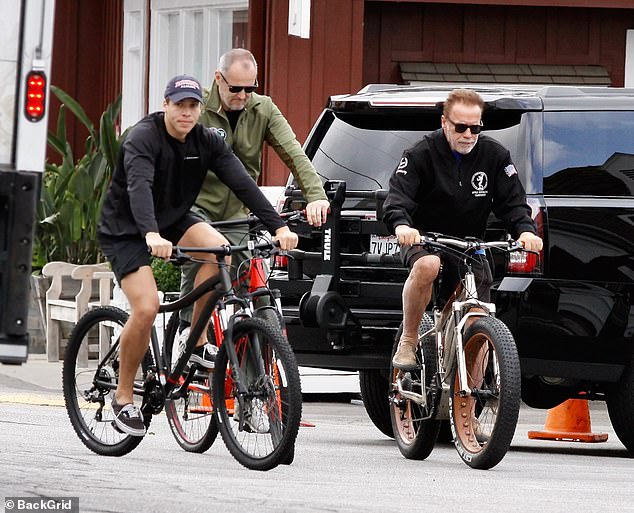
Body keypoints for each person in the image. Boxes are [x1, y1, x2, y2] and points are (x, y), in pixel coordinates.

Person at [97, 74, 298, 436]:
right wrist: (150, 233)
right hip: (127, 228)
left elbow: (242, 184)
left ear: (200, 109)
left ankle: (197, 338)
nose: (186, 113)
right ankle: (123, 399)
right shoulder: (143, 138)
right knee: (146, 308)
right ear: (165, 105)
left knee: (219, 250)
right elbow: (139, 187)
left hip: (172, 220)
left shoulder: (206, 140)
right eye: (179, 105)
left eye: (193, 106)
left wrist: (278, 227)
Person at [383, 88, 543, 370]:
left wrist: (526, 231)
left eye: (475, 127)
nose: (468, 134)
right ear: (445, 123)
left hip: (467, 243)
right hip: (425, 238)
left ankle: (468, 402)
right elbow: (398, 199)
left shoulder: (495, 155)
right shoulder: (420, 154)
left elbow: (513, 204)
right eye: (461, 127)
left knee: (479, 317)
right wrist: (402, 225)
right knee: (428, 265)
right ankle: (409, 340)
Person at [179, 48, 329, 328]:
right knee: (201, 273)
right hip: (196, 208)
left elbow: (294, 154)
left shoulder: (263, 109)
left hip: (238, 211)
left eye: (250, 88)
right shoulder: (197, 107)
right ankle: (189, 340)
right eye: (236, 88)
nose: (243, 96)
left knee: (246, 283)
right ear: (218, 79)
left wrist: (316, 196)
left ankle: (250, 366)